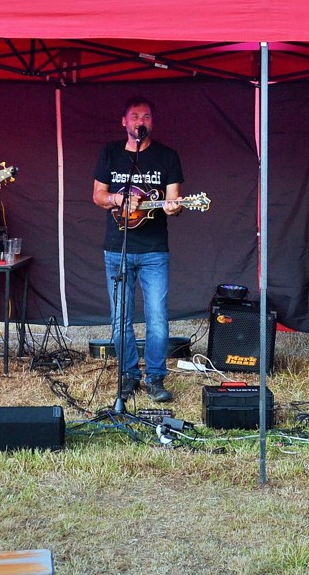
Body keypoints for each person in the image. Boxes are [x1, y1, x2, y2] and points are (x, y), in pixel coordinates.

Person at [92, 96, 183, 404]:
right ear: (124, 122)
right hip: (117, 248)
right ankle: (129, 374)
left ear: (151, 122)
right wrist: (117, 199)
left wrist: (174, 207)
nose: (139, 122)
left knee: (157, 318)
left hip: (154, 250)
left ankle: (155, 377)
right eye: (134, 117)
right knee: (120, 318)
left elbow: (174, 198)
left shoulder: (167, 156)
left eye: (145, 117)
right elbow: (98, 194)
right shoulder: (110, 152)